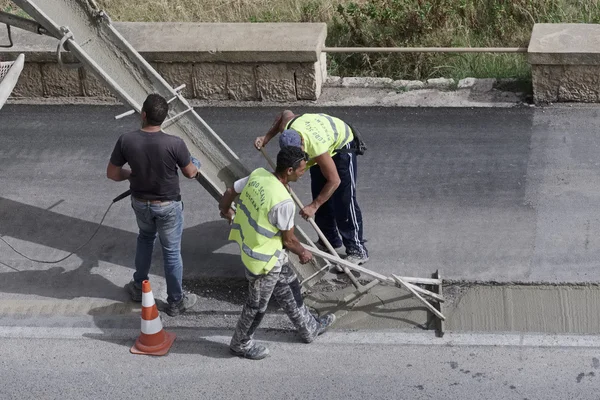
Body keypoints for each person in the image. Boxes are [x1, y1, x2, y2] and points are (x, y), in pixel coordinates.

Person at [219, 146, 336, 360]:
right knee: (256, 306)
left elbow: (229, 192)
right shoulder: (283, 202)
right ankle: (239, 344)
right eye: (302, 170)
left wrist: (226, 210)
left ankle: (308, 328)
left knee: (290, 285)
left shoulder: (258, 175)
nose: (304, 172)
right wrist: (303, 253)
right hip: (262, 261)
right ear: (289, 170)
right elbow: (289, 240)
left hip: (266, 252)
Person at [107, 93, 200, 317]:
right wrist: (195, 162)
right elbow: (190, 173)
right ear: (164, 118)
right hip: (168, 206)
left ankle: (139, 286)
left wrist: (130, 173)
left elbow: (112, 173)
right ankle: (176, 302)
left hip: (140, 203)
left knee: (145, 239)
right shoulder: (175, 143)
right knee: (171, 252)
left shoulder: (126, 140)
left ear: (143, 115)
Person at [254, 110, 369, 265]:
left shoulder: (316, 146)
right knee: (319, 192)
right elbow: (285, 113)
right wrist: (266, 138)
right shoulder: (287, 127)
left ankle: (357, 249)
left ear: (302, 143)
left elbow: (334, 180)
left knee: (343, 200)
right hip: (318, 137)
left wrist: (313, 207)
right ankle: (329, 240)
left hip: (342, 144)